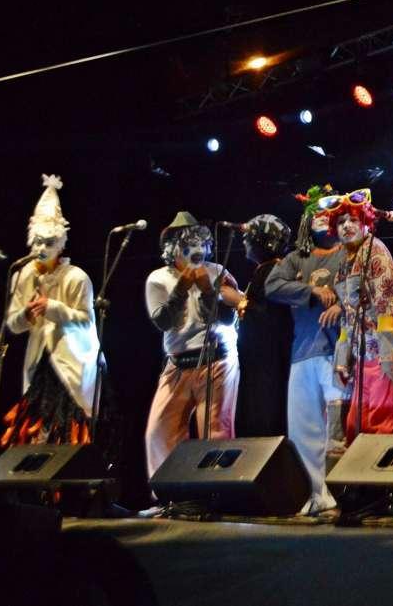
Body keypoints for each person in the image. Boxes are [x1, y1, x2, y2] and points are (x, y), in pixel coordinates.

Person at [265, 185, 350, 514]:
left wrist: (342, 304)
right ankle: (313, 496)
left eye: (326, 214)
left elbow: (366, 289)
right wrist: (311, 291)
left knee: (337, 430)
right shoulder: (295, 259)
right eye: (315, 214)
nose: (321, 220)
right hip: (302, 352)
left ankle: (342, 496)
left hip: (338, 353)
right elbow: (272, 286)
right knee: (303, 431)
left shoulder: (349, 252)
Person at [1, 175, 100, 447]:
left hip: (70, 366)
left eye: (48, 242)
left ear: (61, 243)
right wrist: (25, 316)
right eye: (38, 242)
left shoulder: (76, 277)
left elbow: (87, 321)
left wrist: (53, 308)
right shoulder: (23, 275)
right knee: (35, 433)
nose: (41, 248)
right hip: (39, 366)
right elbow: (13, 324)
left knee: (67, 433)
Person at [143, 212, 242, 478]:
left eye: (201, 242)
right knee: (159, 432)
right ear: (173, 248)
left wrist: (209, 291)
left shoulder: (217, 271)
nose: (197, 249)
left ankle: (216, 490)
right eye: (188, 243)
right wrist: (181, 289)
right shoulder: (158, 278)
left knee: (214, 433)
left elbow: (227, 318)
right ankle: (170, 490)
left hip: (216, 360)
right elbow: (163, 322)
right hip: (178, 363)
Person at [326, 189, 393, 436]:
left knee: (389, 428)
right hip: (364, 357)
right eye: (341, 222)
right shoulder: (344, 262)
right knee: (359, 428)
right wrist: (342, 358)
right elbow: (348, 315)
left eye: (353, 220)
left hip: (391, 355)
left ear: (366, 222)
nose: (347, 226)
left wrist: (388, 354)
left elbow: (388, 303)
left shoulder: (375, 250)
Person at [233, 214, 294, 437]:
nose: (244, 241)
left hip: (267, 366)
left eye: (249, 237)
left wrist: (238, 301)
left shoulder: (272, 272)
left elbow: (268, 318)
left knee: (264, 420)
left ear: (263, 242)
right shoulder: (267, 270)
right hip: (260, 364)